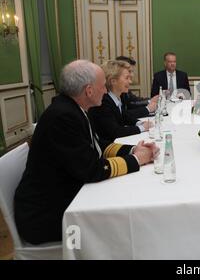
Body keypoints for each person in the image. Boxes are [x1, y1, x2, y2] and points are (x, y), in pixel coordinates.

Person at [14, 60, 159, 244]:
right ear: (89, 90)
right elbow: (92, 169)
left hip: (61, 198)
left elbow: (98, 146)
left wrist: (133, 149)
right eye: (102, 87)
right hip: (46, 216)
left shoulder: (74, 108)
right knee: (124, 224)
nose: (105, 91)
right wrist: (136, 160)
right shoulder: (62, 117)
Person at [89, 60, 152, 141]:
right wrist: (142, 128)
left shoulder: (118, 96)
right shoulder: (103, 102)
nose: (130, 81)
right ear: (113, 81)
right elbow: (115, 131)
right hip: (107, 146)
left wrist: (139, 123)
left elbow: (123, 116)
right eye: (127, 78)